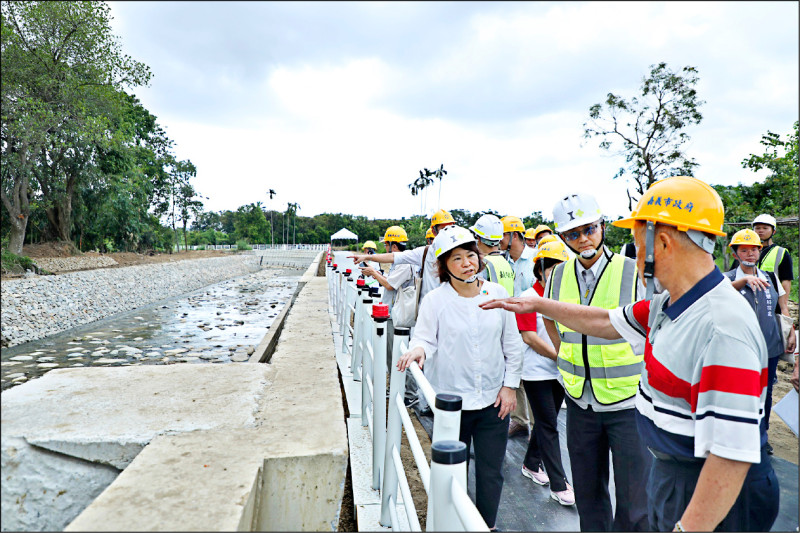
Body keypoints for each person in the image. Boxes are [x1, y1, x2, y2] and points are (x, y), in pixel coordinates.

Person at [481, 176, 779, 532]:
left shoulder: (722, 327)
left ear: (663, 243)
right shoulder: (667, 305)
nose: (635, 254)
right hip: (671, 468)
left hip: (709, 489)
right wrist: (540, 303)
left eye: (638, 243)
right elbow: (607, 320)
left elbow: (731, 455)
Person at [397, 225, 523, 531]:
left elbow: (512, 343)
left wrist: (510, 387)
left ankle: (485, 526)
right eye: (457, 259)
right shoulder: (436, 301)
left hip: (494, 401)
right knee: (452, 472)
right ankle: (452, 525)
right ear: (443, 266)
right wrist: (418, 351)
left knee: (491, 472)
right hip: (452, 405)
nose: (467, 263)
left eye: (471, 255)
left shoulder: (498, 295)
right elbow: (425, 338)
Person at [544, 191, 649, 531]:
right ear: (563, 238)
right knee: (589, 497)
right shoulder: (557, 276)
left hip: (628, 404)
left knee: (636, 503)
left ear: (603, 226)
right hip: (580, 403)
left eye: (589, 229)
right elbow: (548, 317)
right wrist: (563, 354)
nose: (583, 239)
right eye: (573, 234)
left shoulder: (633, 272)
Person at [349, 209, 456, 413]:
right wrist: (366, 257)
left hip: (451, 313)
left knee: (447, 360)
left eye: (450, 228)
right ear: (434, 231)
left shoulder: (458, 251)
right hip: (428, 315)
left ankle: (433, 404)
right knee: (430, 361)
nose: (447, 232)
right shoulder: (425, 252)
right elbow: (394, 257)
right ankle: (436, 407)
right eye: (443, 228)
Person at [725, 228, 795, 456]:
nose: (749, 254)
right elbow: (717, 296)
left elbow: (781, 308)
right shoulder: (726, 279)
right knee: (737, 393)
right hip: (738, 349)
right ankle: (735, 438)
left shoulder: (771, 277)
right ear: (735, 254)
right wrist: (743, 281)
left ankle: (761, 438)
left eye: (754, 249)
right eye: (743, 250)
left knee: (764, 394)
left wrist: (790, 331)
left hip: (769, 347)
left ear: (760, 250)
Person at [516, 239, 575, 506]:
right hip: (537, 372)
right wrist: (559, 357)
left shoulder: (565, 299)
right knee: (550, 425)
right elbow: (529, 337)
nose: (557, 273)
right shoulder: (530, 297)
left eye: (562, 267)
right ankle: (559, 484)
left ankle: (530, 464)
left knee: (544, 422)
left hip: (559, 372)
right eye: (551, 267)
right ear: (540, 268)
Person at [500, 215, 537, 438]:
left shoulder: (534, 260)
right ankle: (520, 420)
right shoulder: (505, 261)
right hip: (512, 324)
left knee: (532, 376)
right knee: (517, 373)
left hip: (532, 326)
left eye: (502, 234)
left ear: (514, 236)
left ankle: (536, 424)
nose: (498, 239)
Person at [469, 214, 514, 296]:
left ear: (479, 239)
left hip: (491, 307)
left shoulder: (483, 264)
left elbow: (477, 295)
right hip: (507, 307)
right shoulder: (507, 262)